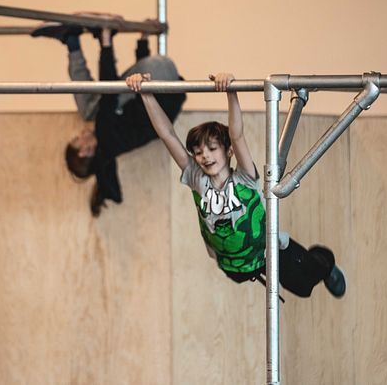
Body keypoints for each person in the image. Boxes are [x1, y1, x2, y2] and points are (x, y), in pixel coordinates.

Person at [125, 72, 346, 298]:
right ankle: (295, 255)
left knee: (303, 288)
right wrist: (146, 93)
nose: (205, 157)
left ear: (229, 151)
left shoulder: (244, 177)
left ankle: (324, 261)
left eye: (212, 149)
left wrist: (231, 91)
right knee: (251, 278)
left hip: (266, 253)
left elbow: (237, 134)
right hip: (234, 265)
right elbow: (168, 135)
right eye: (199, 152)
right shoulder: (196, 178)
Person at [33, 14, 186, 216]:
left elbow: (139, 88)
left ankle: (72, 43)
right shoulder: (106, 136)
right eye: (78, 140)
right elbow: (110, 88)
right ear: (85, 151)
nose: (80, 134)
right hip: (162, 76)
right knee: (91, 109)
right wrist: (106, 40)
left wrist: (143, 39)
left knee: (92, 109)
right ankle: (72, 44)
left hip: (165, 79)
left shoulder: (113, 143)